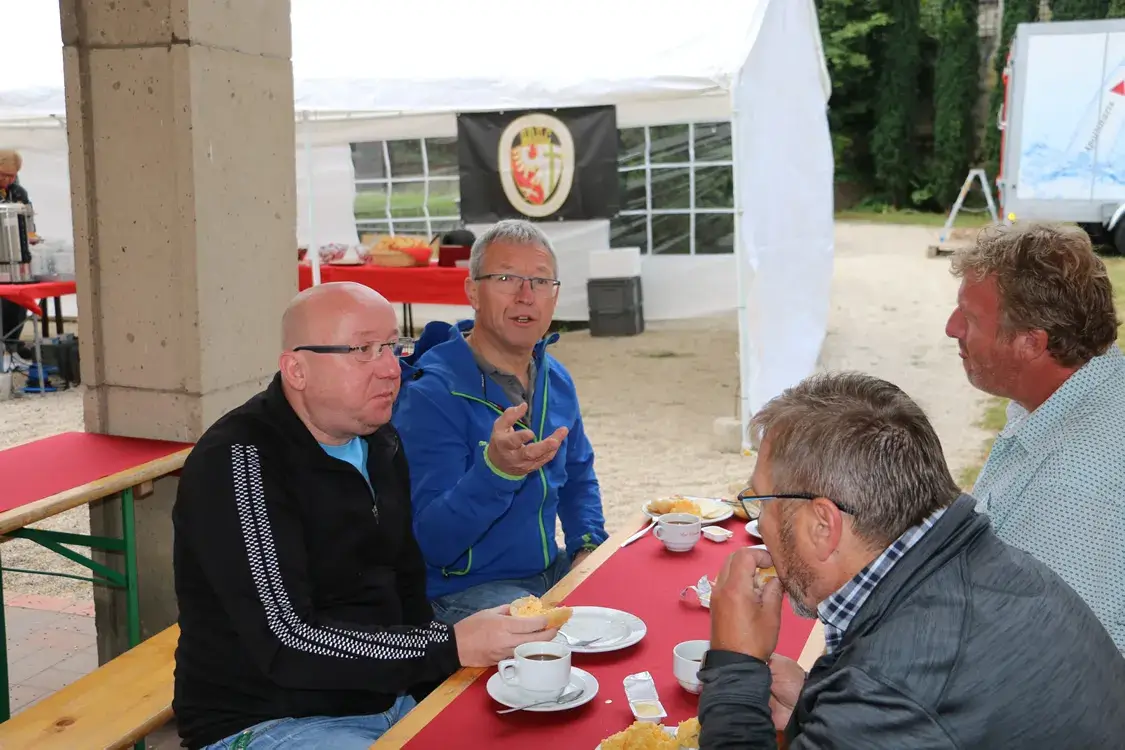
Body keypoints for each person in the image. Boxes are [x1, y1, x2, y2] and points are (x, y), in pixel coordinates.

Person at [172, 282, 559, 750]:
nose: (391, 368)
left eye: (392, 346)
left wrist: (444, 664)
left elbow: (407, 588)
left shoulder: (379, 442)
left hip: (387, 695)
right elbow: (286, 640)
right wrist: (451, 646)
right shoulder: (240, 461)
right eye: (362, 350)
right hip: (268, 719)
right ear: (296, 369)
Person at [699, 372, 1125, 749]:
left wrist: (736, 666)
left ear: (823, 526)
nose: (761, 521)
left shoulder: (892, 689)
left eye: (763, 502)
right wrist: (819, 703)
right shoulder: (982, 561)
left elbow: (909, 696)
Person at [393, 219, 608, 624]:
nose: (526, 296)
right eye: (506, 278)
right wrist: (496, 473)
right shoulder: (431, 393)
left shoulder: (555, 379)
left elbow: (579, 477)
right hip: (464, 591)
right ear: (473, 291)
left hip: (548, 570)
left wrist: (586, 546)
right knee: (554, 646)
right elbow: (432, 545)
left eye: (540, 281)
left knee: (638, 602)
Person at [945, 222, 1124, 652]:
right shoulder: (1075, 396)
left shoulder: (1078, 483)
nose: (952, 328)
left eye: (969, 317)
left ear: (1031, 343)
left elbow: (1034, 655)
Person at [0, 149, 32, 354]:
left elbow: (28, 223)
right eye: (4, 175)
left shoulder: (18, 192)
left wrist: (31, 236)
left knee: (19, 298)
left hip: (16, 258)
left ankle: (11, 342)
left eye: (13, 176)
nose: (8, 180)